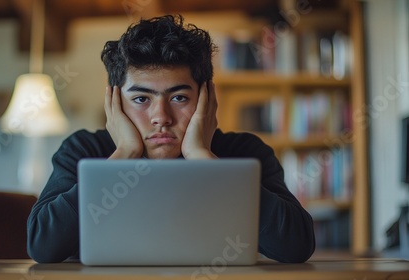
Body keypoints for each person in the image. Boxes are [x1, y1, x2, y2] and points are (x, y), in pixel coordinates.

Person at [27, 14, 315, 263]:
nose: (161, 116)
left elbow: (296, 247)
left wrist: (203, 158)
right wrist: (123, 156)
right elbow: (42, 246)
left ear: (207, 98)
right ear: (115, 103)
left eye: (178, 97)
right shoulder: (85, 150)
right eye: (141, 98)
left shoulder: (244, 152)